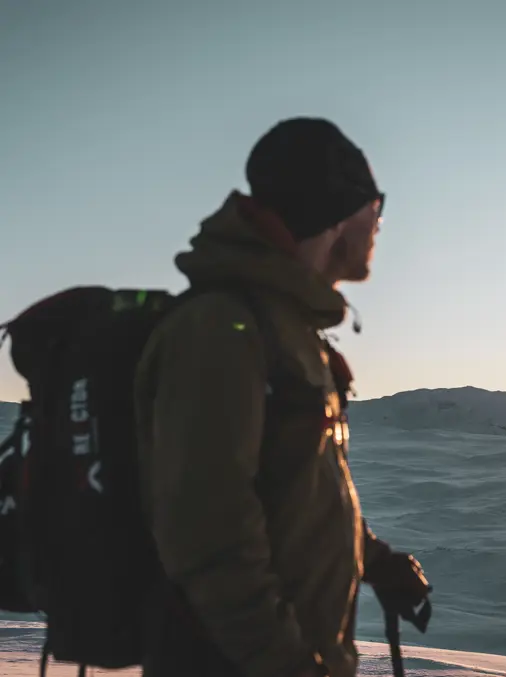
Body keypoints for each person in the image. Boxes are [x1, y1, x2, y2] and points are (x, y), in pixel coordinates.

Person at [133, 118, 431, 677]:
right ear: (337, 211)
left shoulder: (289, 332)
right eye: (376, 206)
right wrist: (287, 665)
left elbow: (296, 490)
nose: (379, 223)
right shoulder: (221, 328)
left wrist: (374, 560)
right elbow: (208, 534)